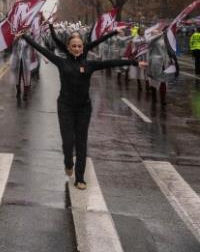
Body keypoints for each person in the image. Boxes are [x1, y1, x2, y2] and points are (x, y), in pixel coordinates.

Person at [21, 31, 145, 190]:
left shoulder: (89, 64)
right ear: (69, 47)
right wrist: (24, 36)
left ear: (82, 47)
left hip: (83, 108)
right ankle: (68, 162)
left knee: (81, 143)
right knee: (67, 142)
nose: (77, 48)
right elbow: (41, 49)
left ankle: (80, 177)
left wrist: (134, 63)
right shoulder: (61, 62)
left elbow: (111, 63)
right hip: (65, 107)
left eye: (79, 46)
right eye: (74, 46)